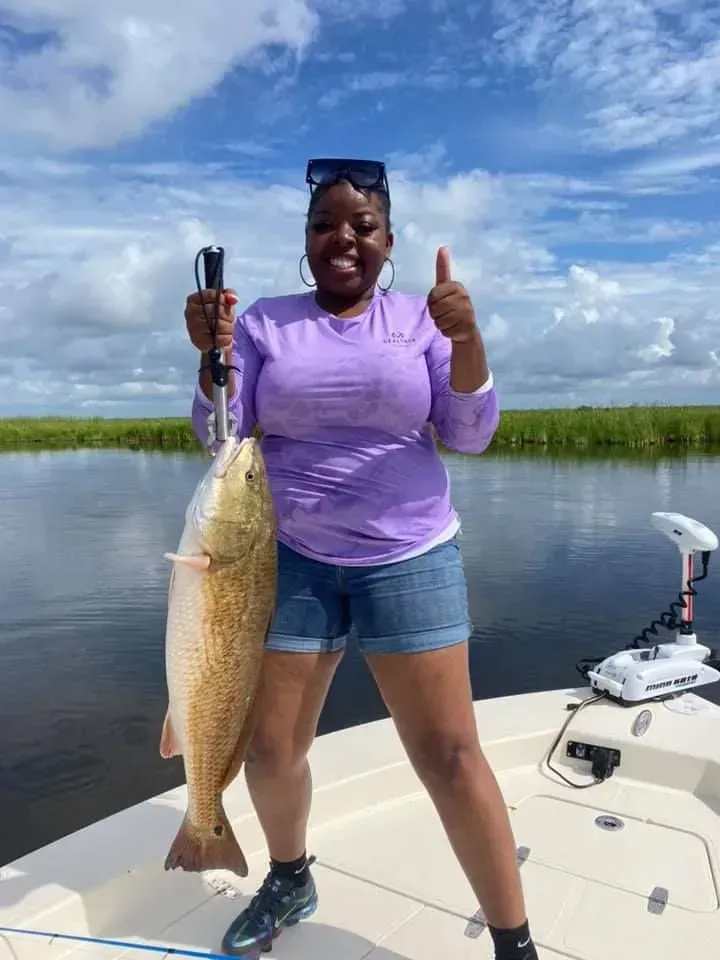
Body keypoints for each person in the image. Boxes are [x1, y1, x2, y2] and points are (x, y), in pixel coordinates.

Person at [184, 158, 538, 960]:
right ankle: (289, 874)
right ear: (306, 241)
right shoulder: (267, 323)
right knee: (271, 751)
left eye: (362, 226)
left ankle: (514, 942)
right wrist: (212, 358)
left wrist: (468, 338)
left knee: (449, 755)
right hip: (290, 559)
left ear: (389, 242)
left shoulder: (422, 320)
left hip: (410, 555)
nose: (343, 239)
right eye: (324, 226)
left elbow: (471, 434)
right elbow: (219, 437)